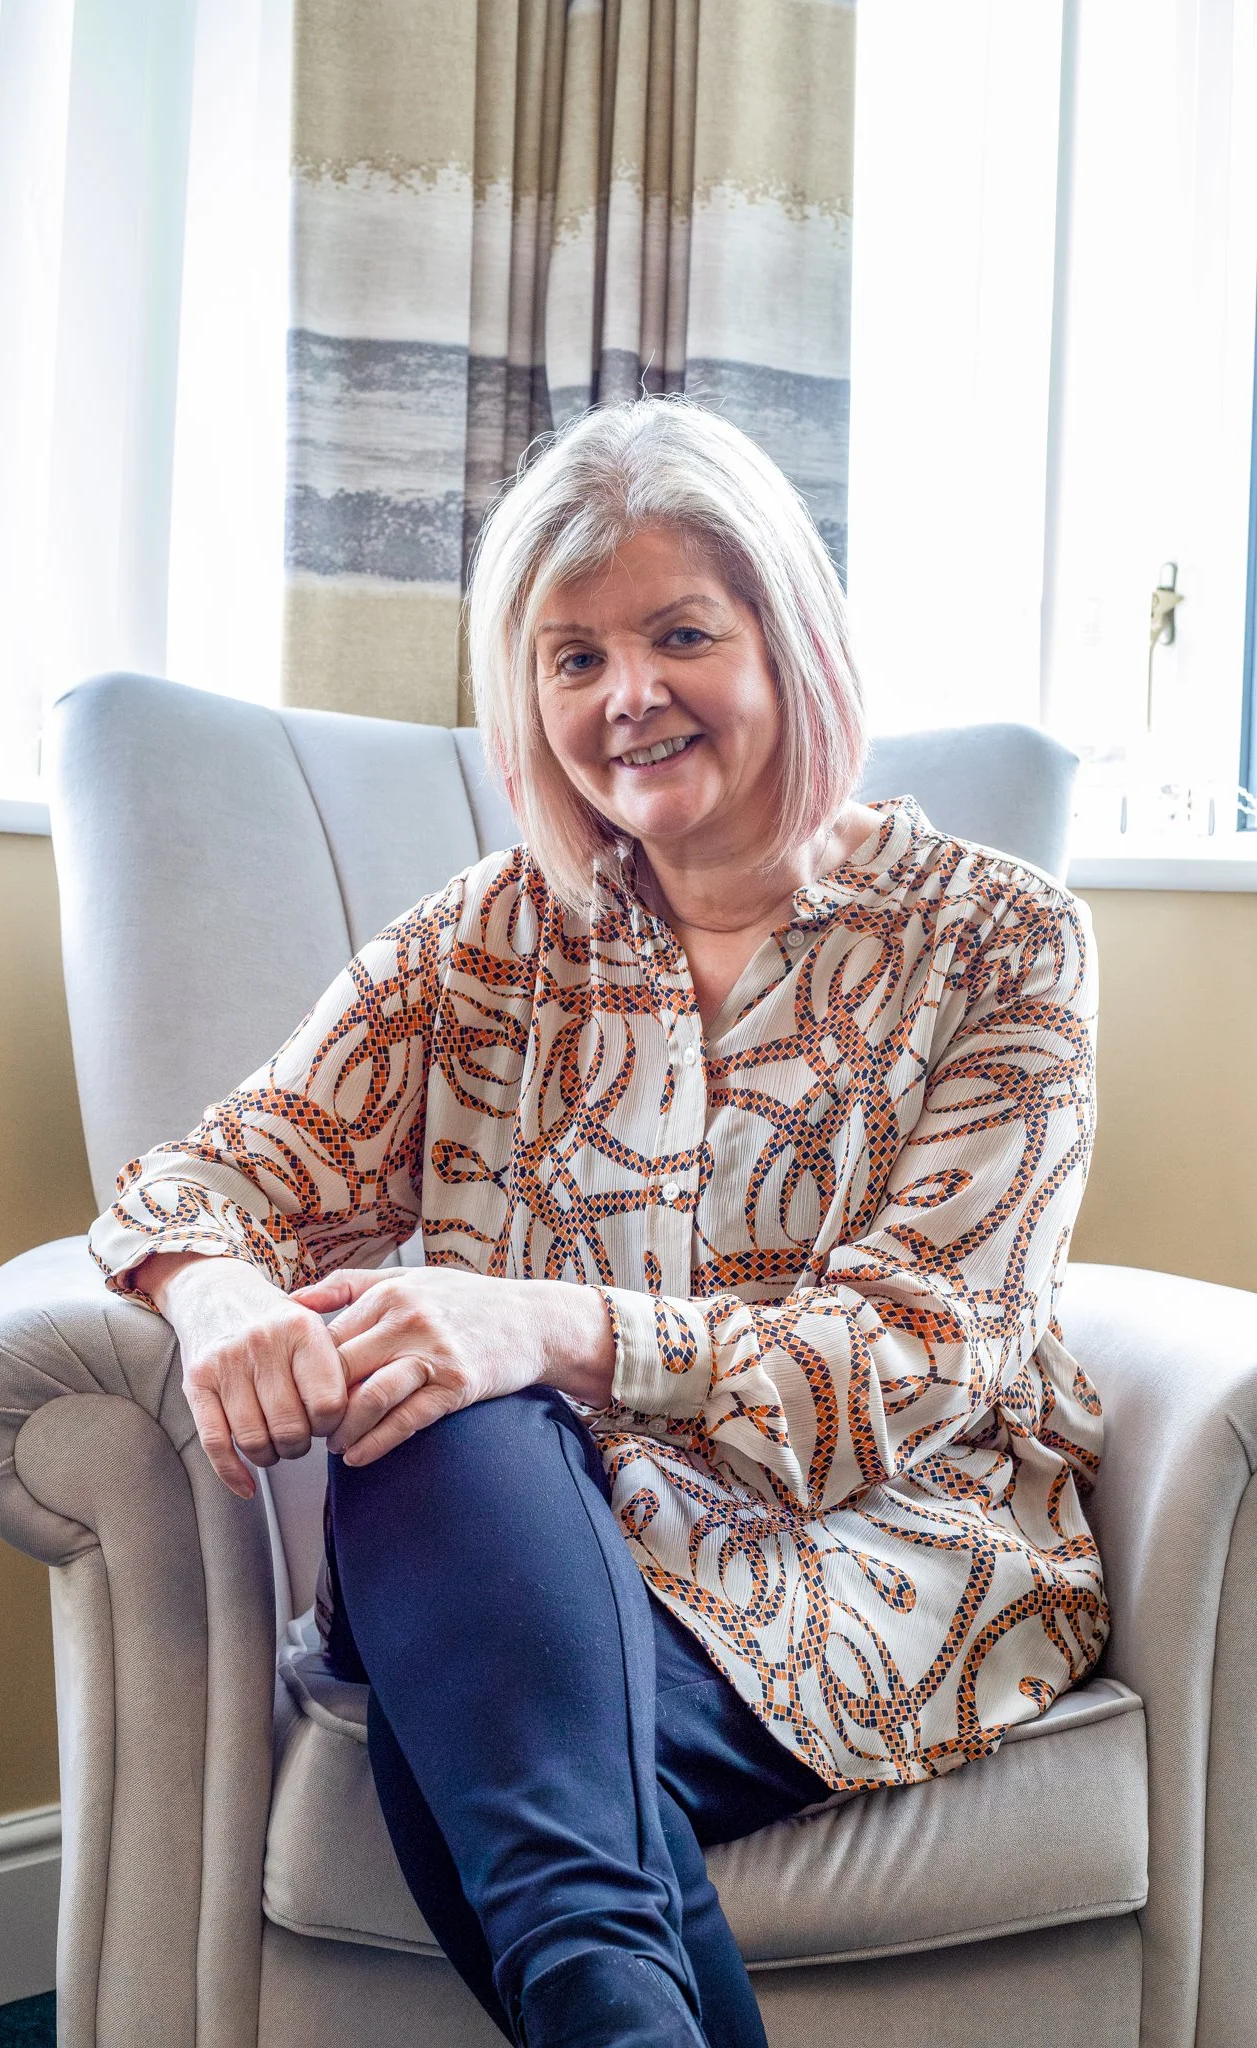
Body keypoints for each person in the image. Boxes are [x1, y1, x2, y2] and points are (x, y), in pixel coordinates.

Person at [91, 399, 1108, 2048]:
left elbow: (919, 1362)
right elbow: (204, 1178)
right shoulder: (489, 943)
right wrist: (214, 1299)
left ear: (788, 641)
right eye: (571, 658)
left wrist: (545, 1326)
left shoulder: (999, 941)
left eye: (679, 634)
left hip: (878, 1550)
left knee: (482, 1725)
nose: (626, 696)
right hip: (546, 1543)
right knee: (428, 1414)